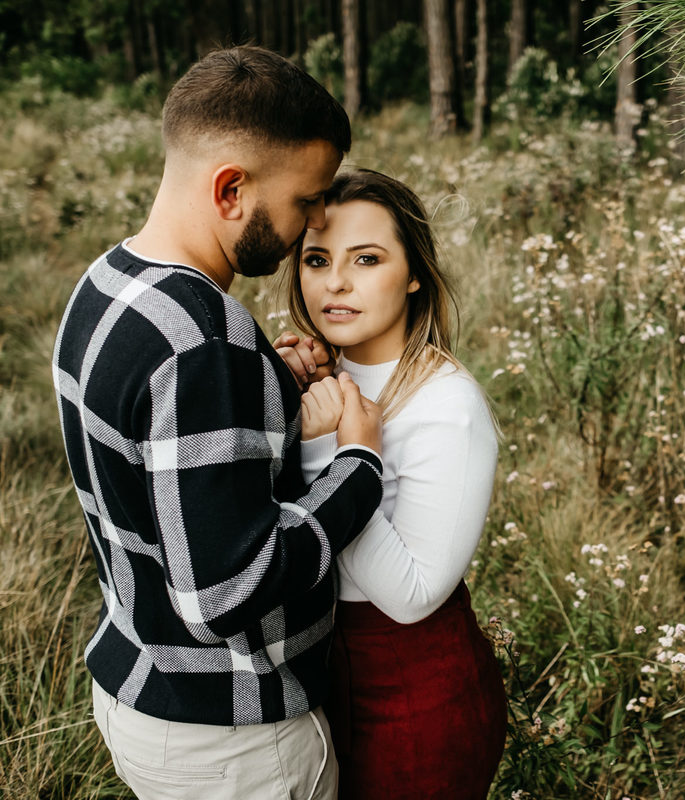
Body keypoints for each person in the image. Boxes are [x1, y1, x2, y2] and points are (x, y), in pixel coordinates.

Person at [52, 46, 384, 800]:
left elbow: (154, 459)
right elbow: (224, 596)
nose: (308, 229)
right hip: (233, 741)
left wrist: (266, 383)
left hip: (143, 692)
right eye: (305, 202)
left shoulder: (107, 284)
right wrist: (356, 467)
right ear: (231, 188)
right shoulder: (204, 339)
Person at [284, 168, 506, 799]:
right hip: (319, 679)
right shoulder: (319, 378)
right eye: (318, 259)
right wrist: (274, 398)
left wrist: (333, 451)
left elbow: (411, 598)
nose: (336, 282)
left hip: (417, 697)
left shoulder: (447, 405)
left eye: (368, 259)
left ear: (413, 274)